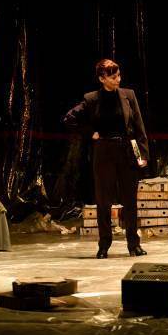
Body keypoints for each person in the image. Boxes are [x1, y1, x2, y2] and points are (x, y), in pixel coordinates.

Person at [64, 59, 149, 259]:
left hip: (127, 150)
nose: (118, 79)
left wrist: (141, 155)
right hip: (104, 152)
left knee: (130, 200)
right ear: (102, 78)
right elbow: (69, 118)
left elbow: (138, 128)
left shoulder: (129, 95)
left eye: (118, 75)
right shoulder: (92, 99)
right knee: (104, 200)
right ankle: (104, 245)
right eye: (113, 77)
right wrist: (90, 132)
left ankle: (133, 244)